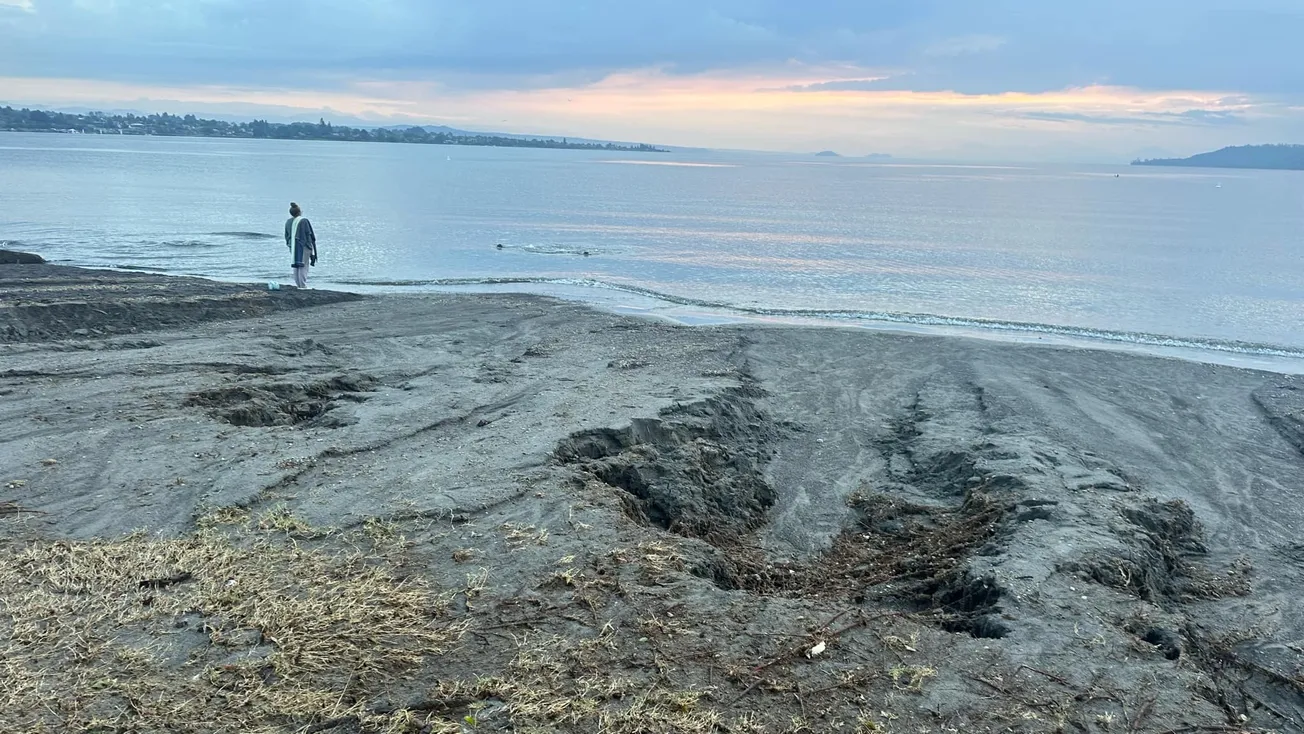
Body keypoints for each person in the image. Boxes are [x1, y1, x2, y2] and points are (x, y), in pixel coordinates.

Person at [284, 202, 317, 288]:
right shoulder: (304, 221)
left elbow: (287, 235)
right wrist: (311, 249)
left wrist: (289, 244)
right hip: (303, 246)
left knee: (296, 264)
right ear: (299, 212)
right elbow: (308, 234)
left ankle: (298, 284)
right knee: (303, 265)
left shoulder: (288, 222)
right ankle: (302, 285)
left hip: (293, 246)